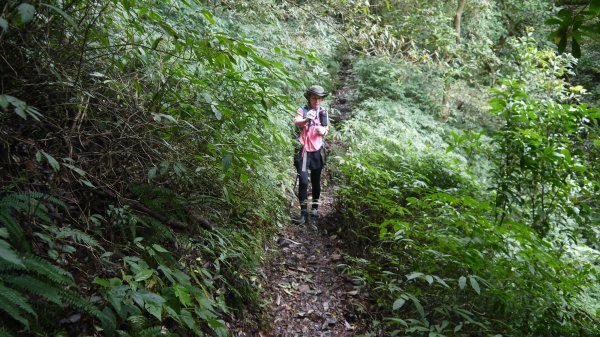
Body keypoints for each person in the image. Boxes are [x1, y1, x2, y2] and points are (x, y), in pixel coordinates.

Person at [293, 85, 329, 224]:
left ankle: (314, 208)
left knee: (315, 180)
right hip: (304, 151)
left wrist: (323, 131)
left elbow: (326, 130)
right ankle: (303, 214)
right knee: (303, 181)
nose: (317, 101)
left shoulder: (323, 112)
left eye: (319, 98)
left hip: (317, 151)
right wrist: (306, 119)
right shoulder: (303, 110)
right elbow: (297, 122)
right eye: (314, 98)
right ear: (309, 98)